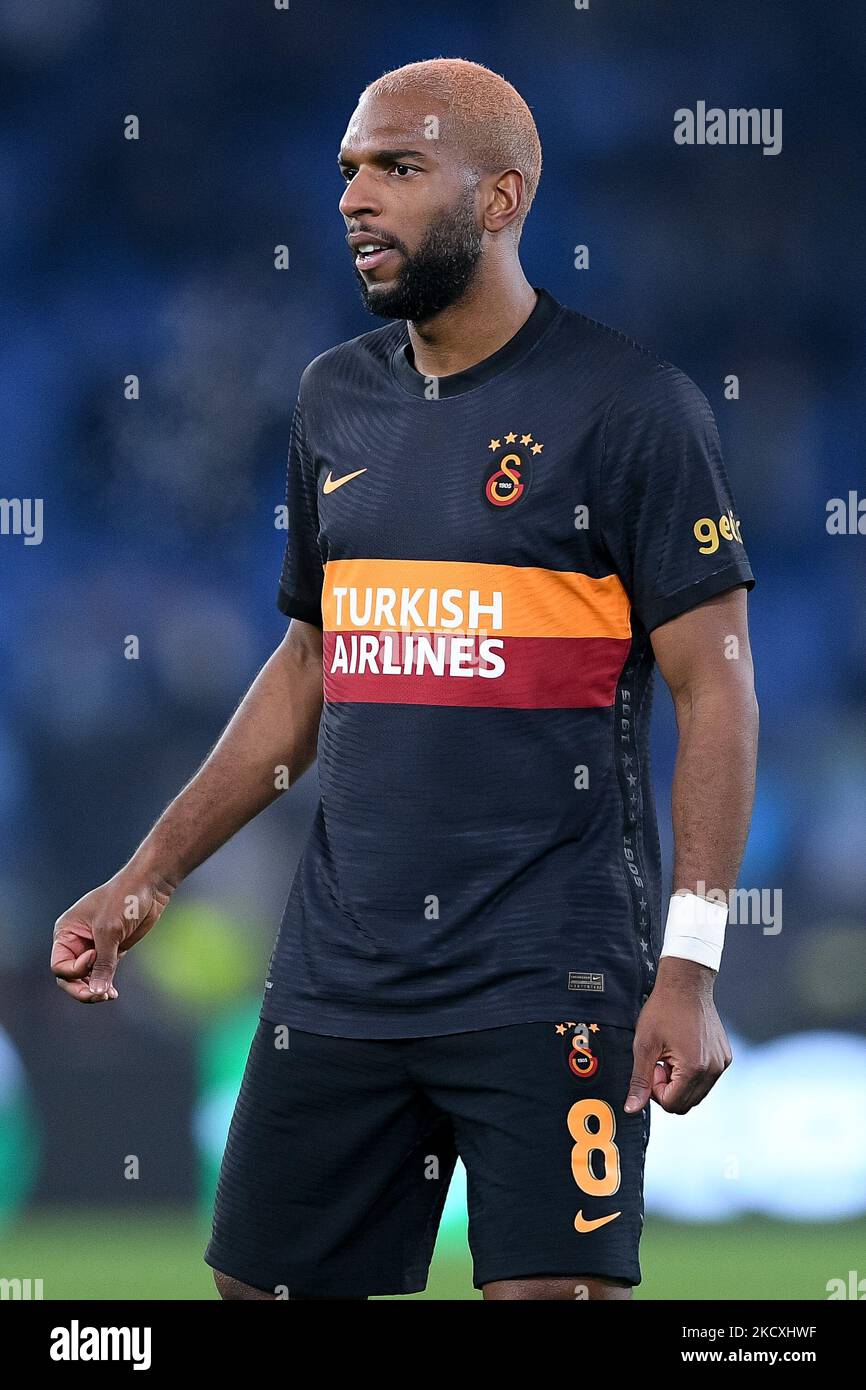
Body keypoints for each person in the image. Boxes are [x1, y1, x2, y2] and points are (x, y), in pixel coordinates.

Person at [51, 57, 758, 1301]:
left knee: (552, 1296)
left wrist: (689, 969)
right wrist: (142, 880)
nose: (353, 198)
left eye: (395, 166)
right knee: (258, 1291)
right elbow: (313, 663)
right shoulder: (334, 402)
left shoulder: (631, 409)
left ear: (499, 199)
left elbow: (717, 690)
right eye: (345, 171)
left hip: (552, 967)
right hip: (342, 969)